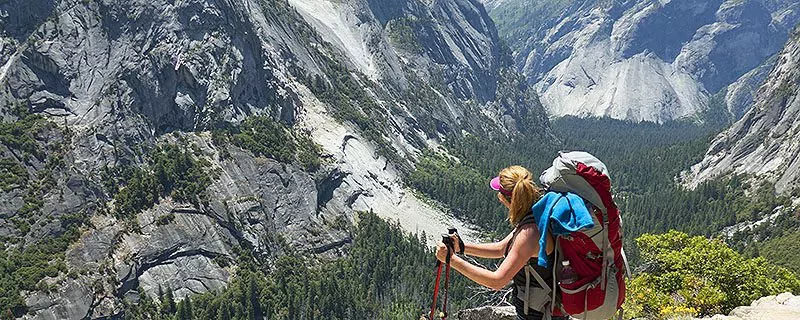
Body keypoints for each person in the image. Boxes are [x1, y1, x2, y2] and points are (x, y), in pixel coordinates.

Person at [434, 165, 569, 320]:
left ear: (503, 198)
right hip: (541, 310)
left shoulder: (529, 234)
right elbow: (501, 249)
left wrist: (450, 260)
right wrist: (461, 247)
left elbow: (497, 281)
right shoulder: (535, 216)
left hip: (537, 315)